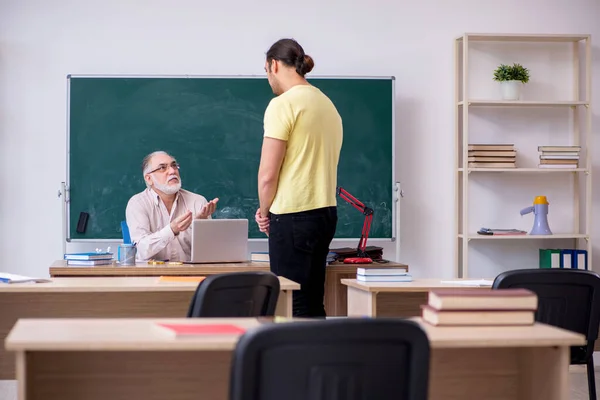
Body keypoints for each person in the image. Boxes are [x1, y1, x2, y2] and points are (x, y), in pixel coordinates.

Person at [255, 38, 343, 317]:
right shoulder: (326, 103)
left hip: (293, 215)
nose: (268, 78)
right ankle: (317, 358)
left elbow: (268, 174)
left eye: (266, 71)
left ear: (274, 64)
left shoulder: (283, 105)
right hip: (325, 213)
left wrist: (264, 211)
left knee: (289, 302)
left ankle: (294, 361)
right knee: (312, 299)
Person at [126, 150, 219, 262]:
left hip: (192, 273)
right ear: (149, 179)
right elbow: (142, 250)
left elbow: (209, 252)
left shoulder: (198, 201)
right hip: (151, 275)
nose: (172, 171)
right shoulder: (137, 203)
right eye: (162, 168)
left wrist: (200, 226)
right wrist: (171, 230)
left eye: (174, 166)